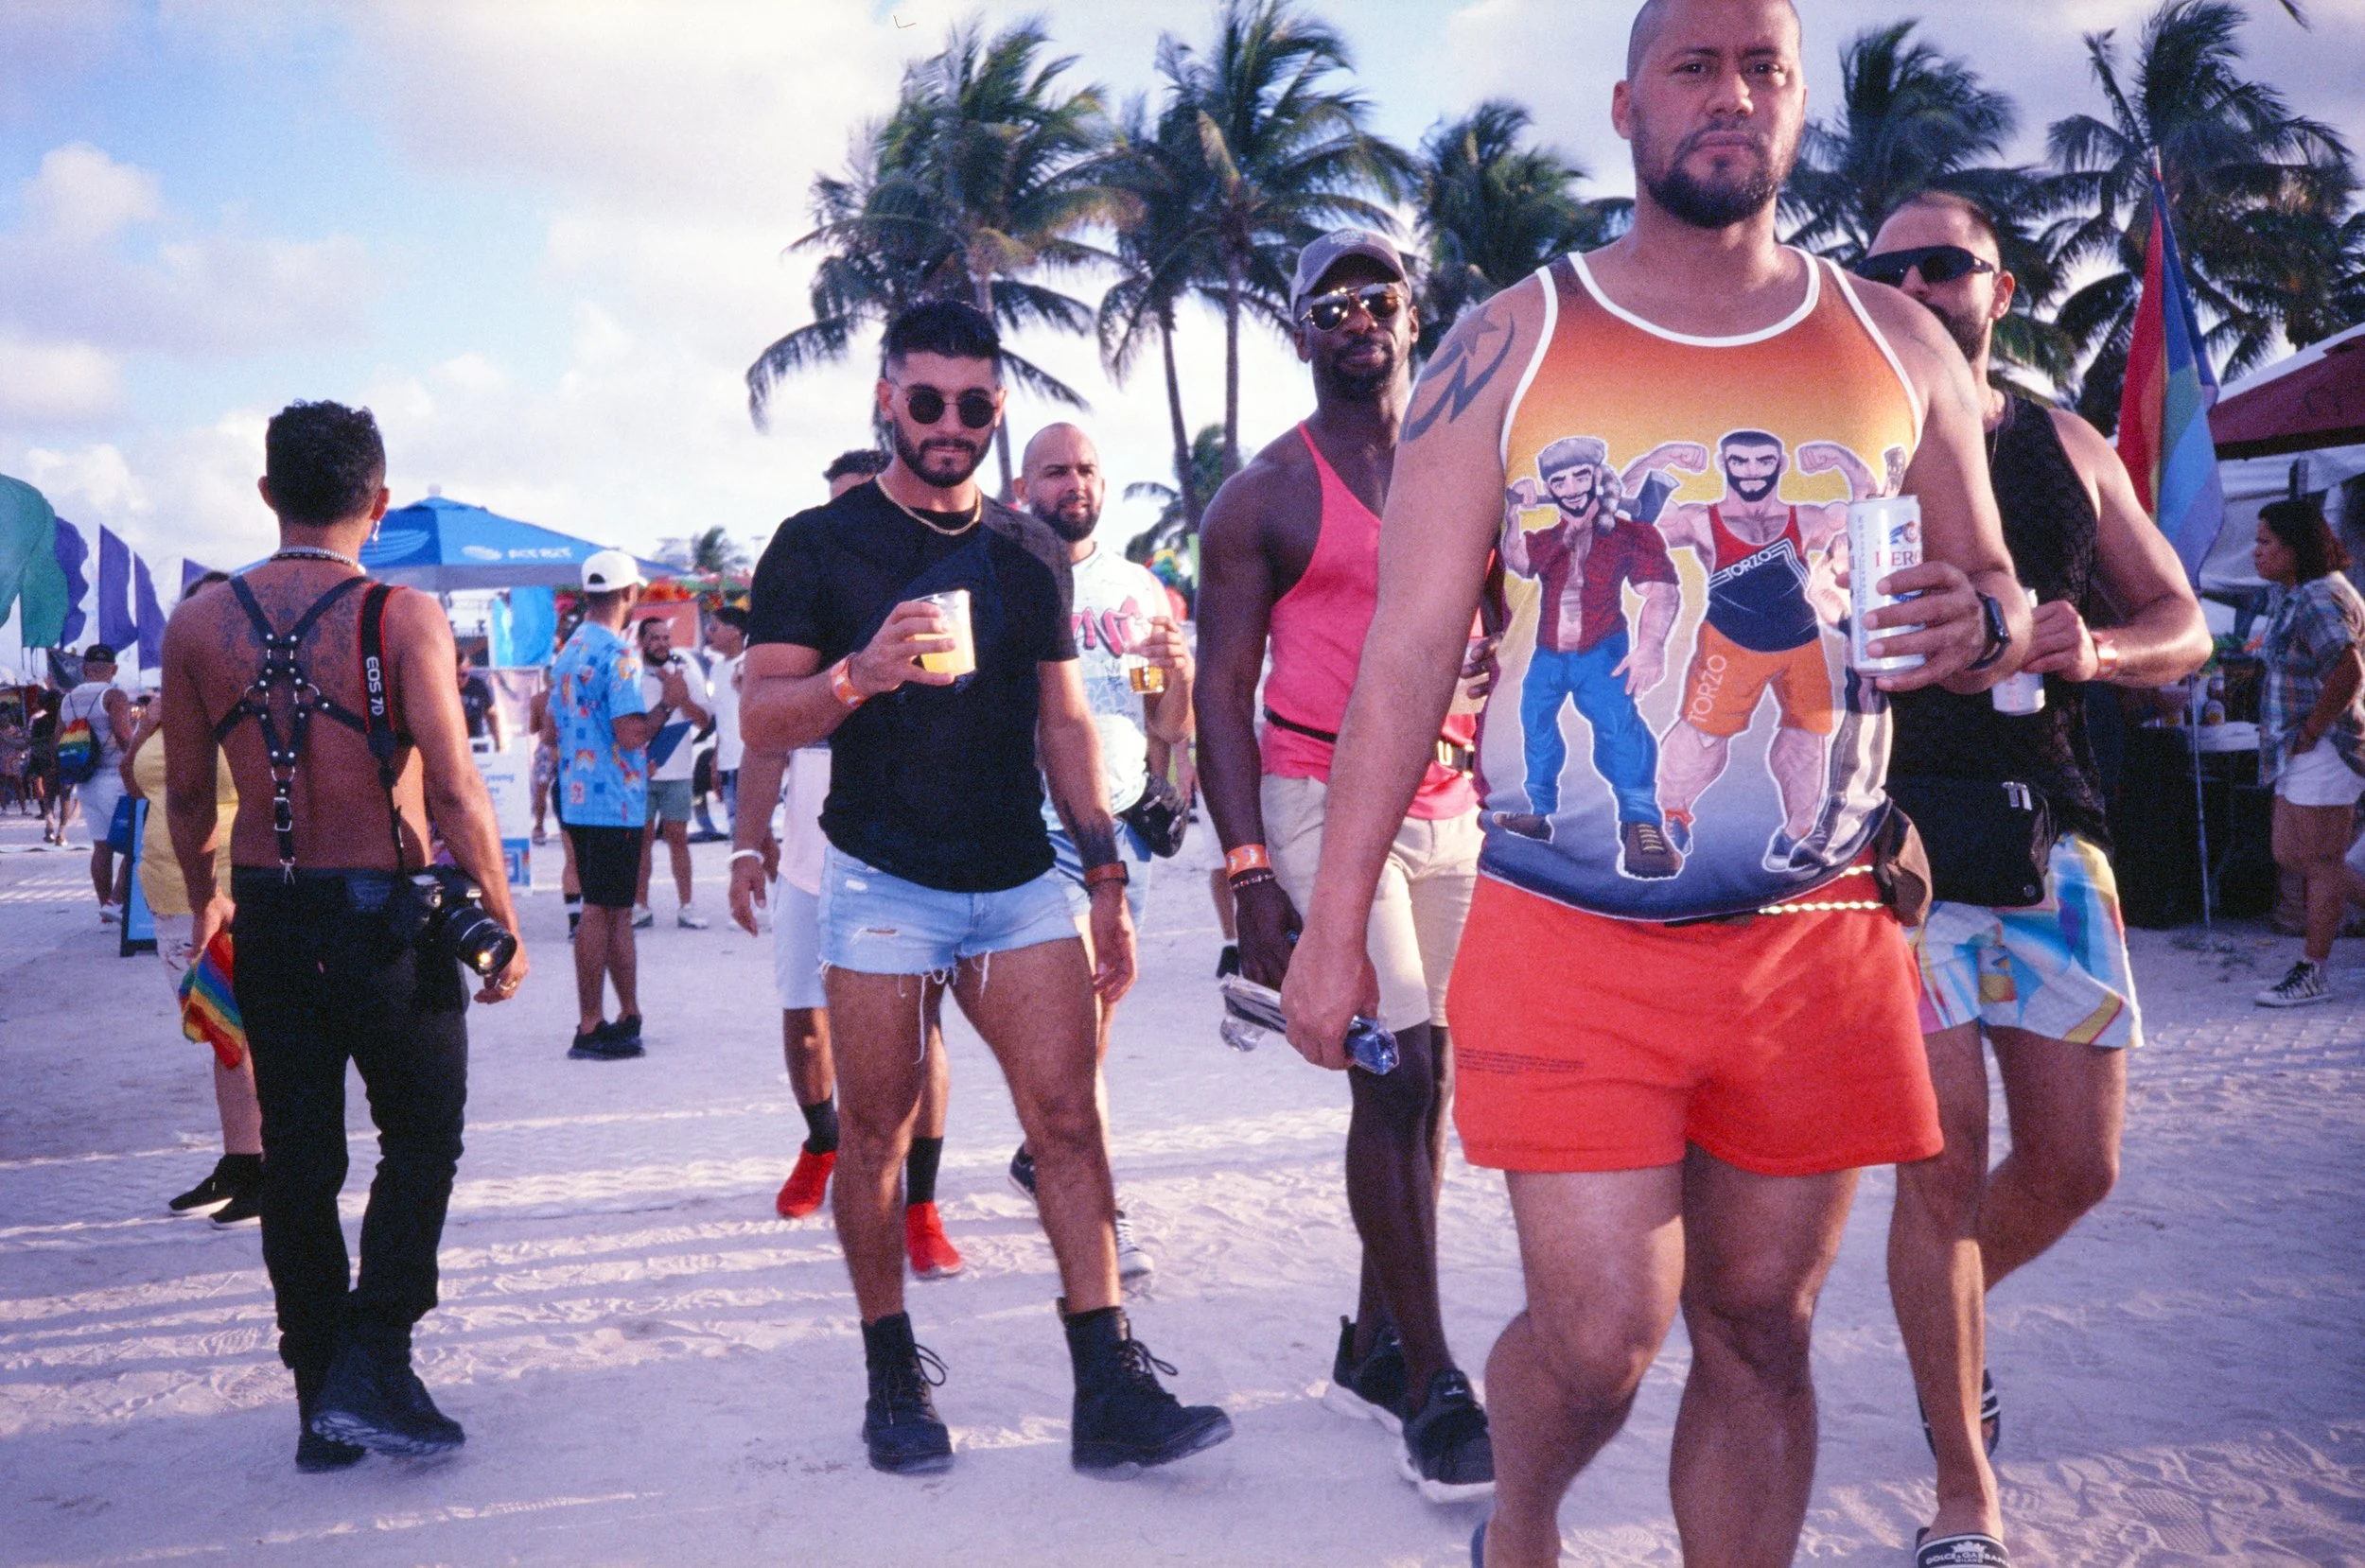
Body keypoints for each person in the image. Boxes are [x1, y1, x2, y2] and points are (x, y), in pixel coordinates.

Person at [1274, 4, 2031, 1563]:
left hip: (1820, 925)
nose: (1733, 96)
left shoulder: (1901, 346)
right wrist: (1330, 918)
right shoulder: (1507, 340)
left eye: (1765, 67)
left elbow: (1990, 590)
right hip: (1567, 920)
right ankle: (1522, 1521)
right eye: (1697, 65)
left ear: (1799, 103)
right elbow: (1410, 650)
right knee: (1606, 1329)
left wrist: (1990, 617)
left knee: (1762, 1320)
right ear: (1626, 105)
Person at [728, 299, 1229, 1478]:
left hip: (1016, 881)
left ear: (994, 413)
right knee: (874, 1133)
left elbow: (1063, 717)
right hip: (880, 877)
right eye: (926, 400)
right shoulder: (816, 544)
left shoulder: (1024, 550)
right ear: (885, 400)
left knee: (1068, 1120)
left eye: (974, 405)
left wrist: (1104, 868)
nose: (949, 424)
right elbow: (760, 714)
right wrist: (859, 674)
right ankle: (892, 1373)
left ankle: (1106, 1382)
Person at [1866, 189, 2212, 1559]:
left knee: (2077, 1164)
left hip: (2053, 828)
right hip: (1897, 843)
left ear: (2000, 289)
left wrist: (2094, 649)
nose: (1913, 286)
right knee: (1939, 1171)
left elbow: (2183, 620)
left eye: (1944, 265)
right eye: (1886, 269)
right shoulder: (1852, 440)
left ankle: (1943, 1309)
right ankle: (1967, 1501)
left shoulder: (2066, 443)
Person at [161, 399, 527, 1468]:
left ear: (268, 493)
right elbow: (456, 790)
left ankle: (321, 1389)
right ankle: (377, 1350)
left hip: (272, 910)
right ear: (379, 499)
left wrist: (206, 902)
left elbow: (186, 796)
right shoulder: (403, 616)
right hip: (389, 920)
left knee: (301, 1159)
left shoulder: (200, 624)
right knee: (422, 1140)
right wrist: (501, 918)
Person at [1198, 227, 1497, 1504]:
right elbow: (1218, 690)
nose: (1357, 318)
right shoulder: (1262, 493)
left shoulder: (1469, 461)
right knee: (1398, 1064)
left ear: (1411, 313)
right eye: (1332, 303)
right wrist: (1248, 867)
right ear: (1301, 328)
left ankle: (1374, 1345)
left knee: (1434, 1083)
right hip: (1320, 792)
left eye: (1379, 298)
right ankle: (1433, 1379)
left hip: (1459, 796)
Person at [757, 452, 963, 1284]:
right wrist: (743, 847)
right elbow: (761, 732)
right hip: (809, 851)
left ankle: (921, 1205)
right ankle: (820, 1141)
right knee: (805, 1017)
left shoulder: (929, 613)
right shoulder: (801, 603)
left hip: (899, 848)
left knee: (922, 1032)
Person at [1010, 421, 1192, 1283]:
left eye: (1084, 469)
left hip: (1124, 830)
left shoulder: (1139, 591)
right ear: (1023, 487)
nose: (1071, 484)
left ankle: (1042, 1145)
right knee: (1077, 1022)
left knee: (1099, 1018)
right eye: (1053, 472)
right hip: (1039, 830)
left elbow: (1166, 724)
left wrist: (1178, 677)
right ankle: (1100, 1215)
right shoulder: (1004, 574)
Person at [123, 570, 268, 1226]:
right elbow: (136, 783)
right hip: (165, 887)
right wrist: (142, 728)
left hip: (227, 886)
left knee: (242, 1030)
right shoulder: (169, 700)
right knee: (220, 1033)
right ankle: (242, 1161)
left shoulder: (252, 694)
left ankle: (265, 1167)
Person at [552, 552, 686, 1057]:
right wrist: (668, 702)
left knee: (609, 910)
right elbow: (631, 734)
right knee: (604, 912)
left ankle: (627, 1014)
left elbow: (550, 730)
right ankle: (591, 1023)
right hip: (614, 802)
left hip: (578, 794)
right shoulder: (620, 657)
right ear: (630, 595)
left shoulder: (569, 652)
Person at [2251, 495, 2365, 1006]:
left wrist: (2312, 730)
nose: (2256, 553)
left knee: (2320, 860)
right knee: (2293, 853)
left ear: (2295, 548)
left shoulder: (2320, 596)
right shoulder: (2296, 593)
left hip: (2327, 745)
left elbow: (2349, 672)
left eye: (2265, 542)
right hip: (2301, 747)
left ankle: (2313, 971)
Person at [630, 615, 711, 929]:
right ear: (641, 642)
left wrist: (680, 695)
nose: (662, 643)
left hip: (678, 769)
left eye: (666, 637)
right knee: (643, 840)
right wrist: (665, 696)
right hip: (640, 770)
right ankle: (640, 906)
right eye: (655, 638)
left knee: (679, 838)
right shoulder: (631, 674)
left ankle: (687, 906)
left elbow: (704, 721)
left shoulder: (686, 671)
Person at [59, 642, 135, 920]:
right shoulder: (114, 695)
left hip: (86, 782)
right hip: (116, 779)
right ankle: (115, 901)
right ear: (113, 669)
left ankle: (105, 910)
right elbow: (125, 737)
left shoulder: (67, 700)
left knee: (101, 847)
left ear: (84, 669)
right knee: (137, 843)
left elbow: (58, 742)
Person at [706, 605, 749, 830]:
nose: (708, 632)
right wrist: (715, 762)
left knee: (756, 833)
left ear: (736, 631)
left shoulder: (752, 661)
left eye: (714, 627)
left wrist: (745, 690)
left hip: (750, 760)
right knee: (738, 832)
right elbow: (722, 718)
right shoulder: (716, 670)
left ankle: (774, 868)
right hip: (728, 762)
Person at [455, 647, 502, 750]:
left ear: (469, 669)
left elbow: (491, 715)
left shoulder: (478, 686)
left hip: (476, 743)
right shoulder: (446, 686)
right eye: (456, 675)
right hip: (454, 745)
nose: (459, 679)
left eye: (463, 675)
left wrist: (498, 742)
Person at [528, 682, 557, 844]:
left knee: (541, 790)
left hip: (546, 747)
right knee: (571, 791)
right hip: (568, 746)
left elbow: (532, 728)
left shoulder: (538, 699)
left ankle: (539, 827)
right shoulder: (570, 695)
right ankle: (569, 829)